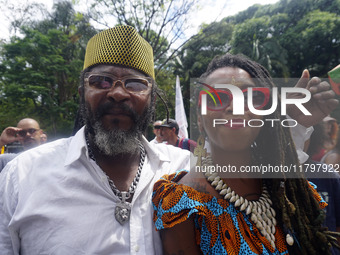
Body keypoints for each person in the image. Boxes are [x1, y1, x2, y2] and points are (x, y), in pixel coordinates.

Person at [0, 25, 190, 254]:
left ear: (152, 100)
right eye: (101, 81)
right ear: (82, 93)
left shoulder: (187, 169)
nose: (118, 93)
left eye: (135, 84)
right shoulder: (22, 176)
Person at [152, 54, 340, 255]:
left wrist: (296, 121)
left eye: (252, 97)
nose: (235, 106)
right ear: (199, 118)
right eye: (218, 98)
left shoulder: (285, 185)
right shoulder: (181, 203)